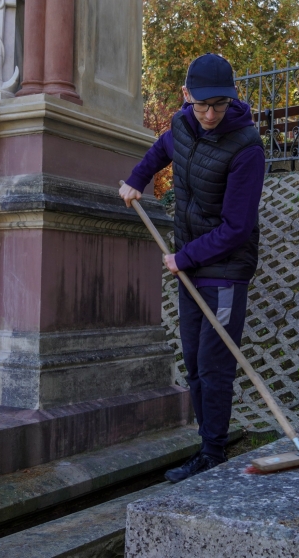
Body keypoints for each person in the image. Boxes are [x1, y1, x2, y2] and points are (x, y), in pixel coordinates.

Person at [119, 54, 265, 483]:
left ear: (231, 100)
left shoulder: (246, 147)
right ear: (186, 97)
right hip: (189, 269)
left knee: (215, 362)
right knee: (194, 361)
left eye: (218, 105)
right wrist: (136, 180)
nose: (209, 114)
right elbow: (161, 149)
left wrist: (183, 257)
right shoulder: (183, 126)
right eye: (201, 105)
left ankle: (213, 452)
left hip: (224, 271)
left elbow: (238, 228)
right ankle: (208, 442)